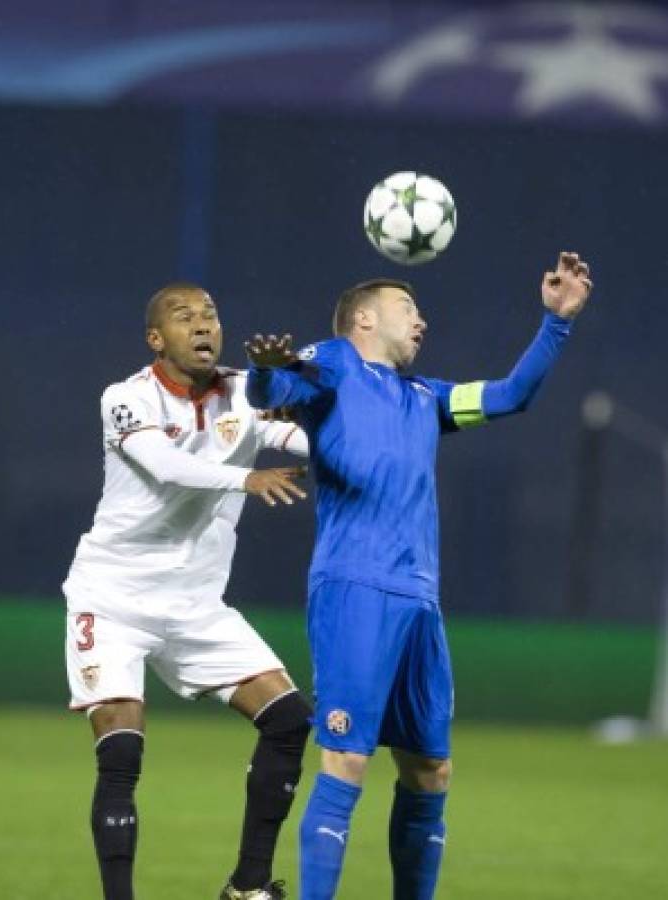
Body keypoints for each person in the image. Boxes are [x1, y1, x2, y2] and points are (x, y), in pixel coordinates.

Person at [244, 251, 593, 899]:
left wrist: (558, 322)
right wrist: (265, 373)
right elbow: (278, 389)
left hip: (419, 602)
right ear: (365, 320)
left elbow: (511, 396)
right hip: (355, 588)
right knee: (347, 758)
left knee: (431, 769)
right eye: (410, 311)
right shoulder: (336, 364)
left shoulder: (424, 399)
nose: (423, 322)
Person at [63, 282, 314, 900]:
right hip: (113, 595)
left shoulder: (244, 394)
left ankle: (247, 886)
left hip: (196, 605)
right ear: (157, 339)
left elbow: (307, 443)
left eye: (210, 314)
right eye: (185, 316)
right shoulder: (126, 398)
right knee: (121, 755)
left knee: (288, 720)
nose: (203, 324)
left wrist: (328, 406)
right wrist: (246, 476)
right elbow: (166, 464)